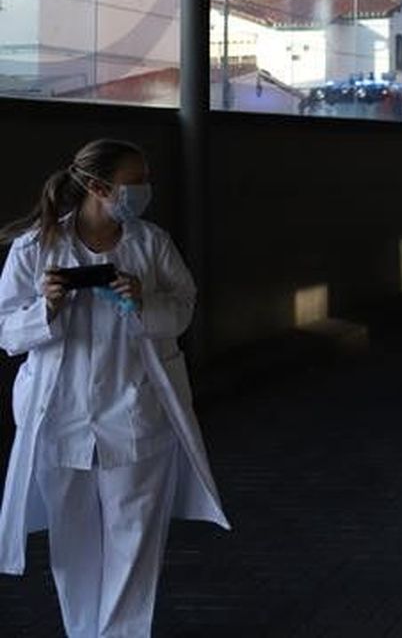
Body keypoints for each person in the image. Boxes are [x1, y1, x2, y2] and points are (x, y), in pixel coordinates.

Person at [0, 139, 230, 636]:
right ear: (99, 187)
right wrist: (47, 308)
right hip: (61, 422)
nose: (146, 189)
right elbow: (6, 332)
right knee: (73, 546)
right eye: (136, 181)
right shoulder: (36, 248)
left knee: (134, 544)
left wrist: (144, 301)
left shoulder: (151, 244)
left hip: (135, 418)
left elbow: (184, 307)